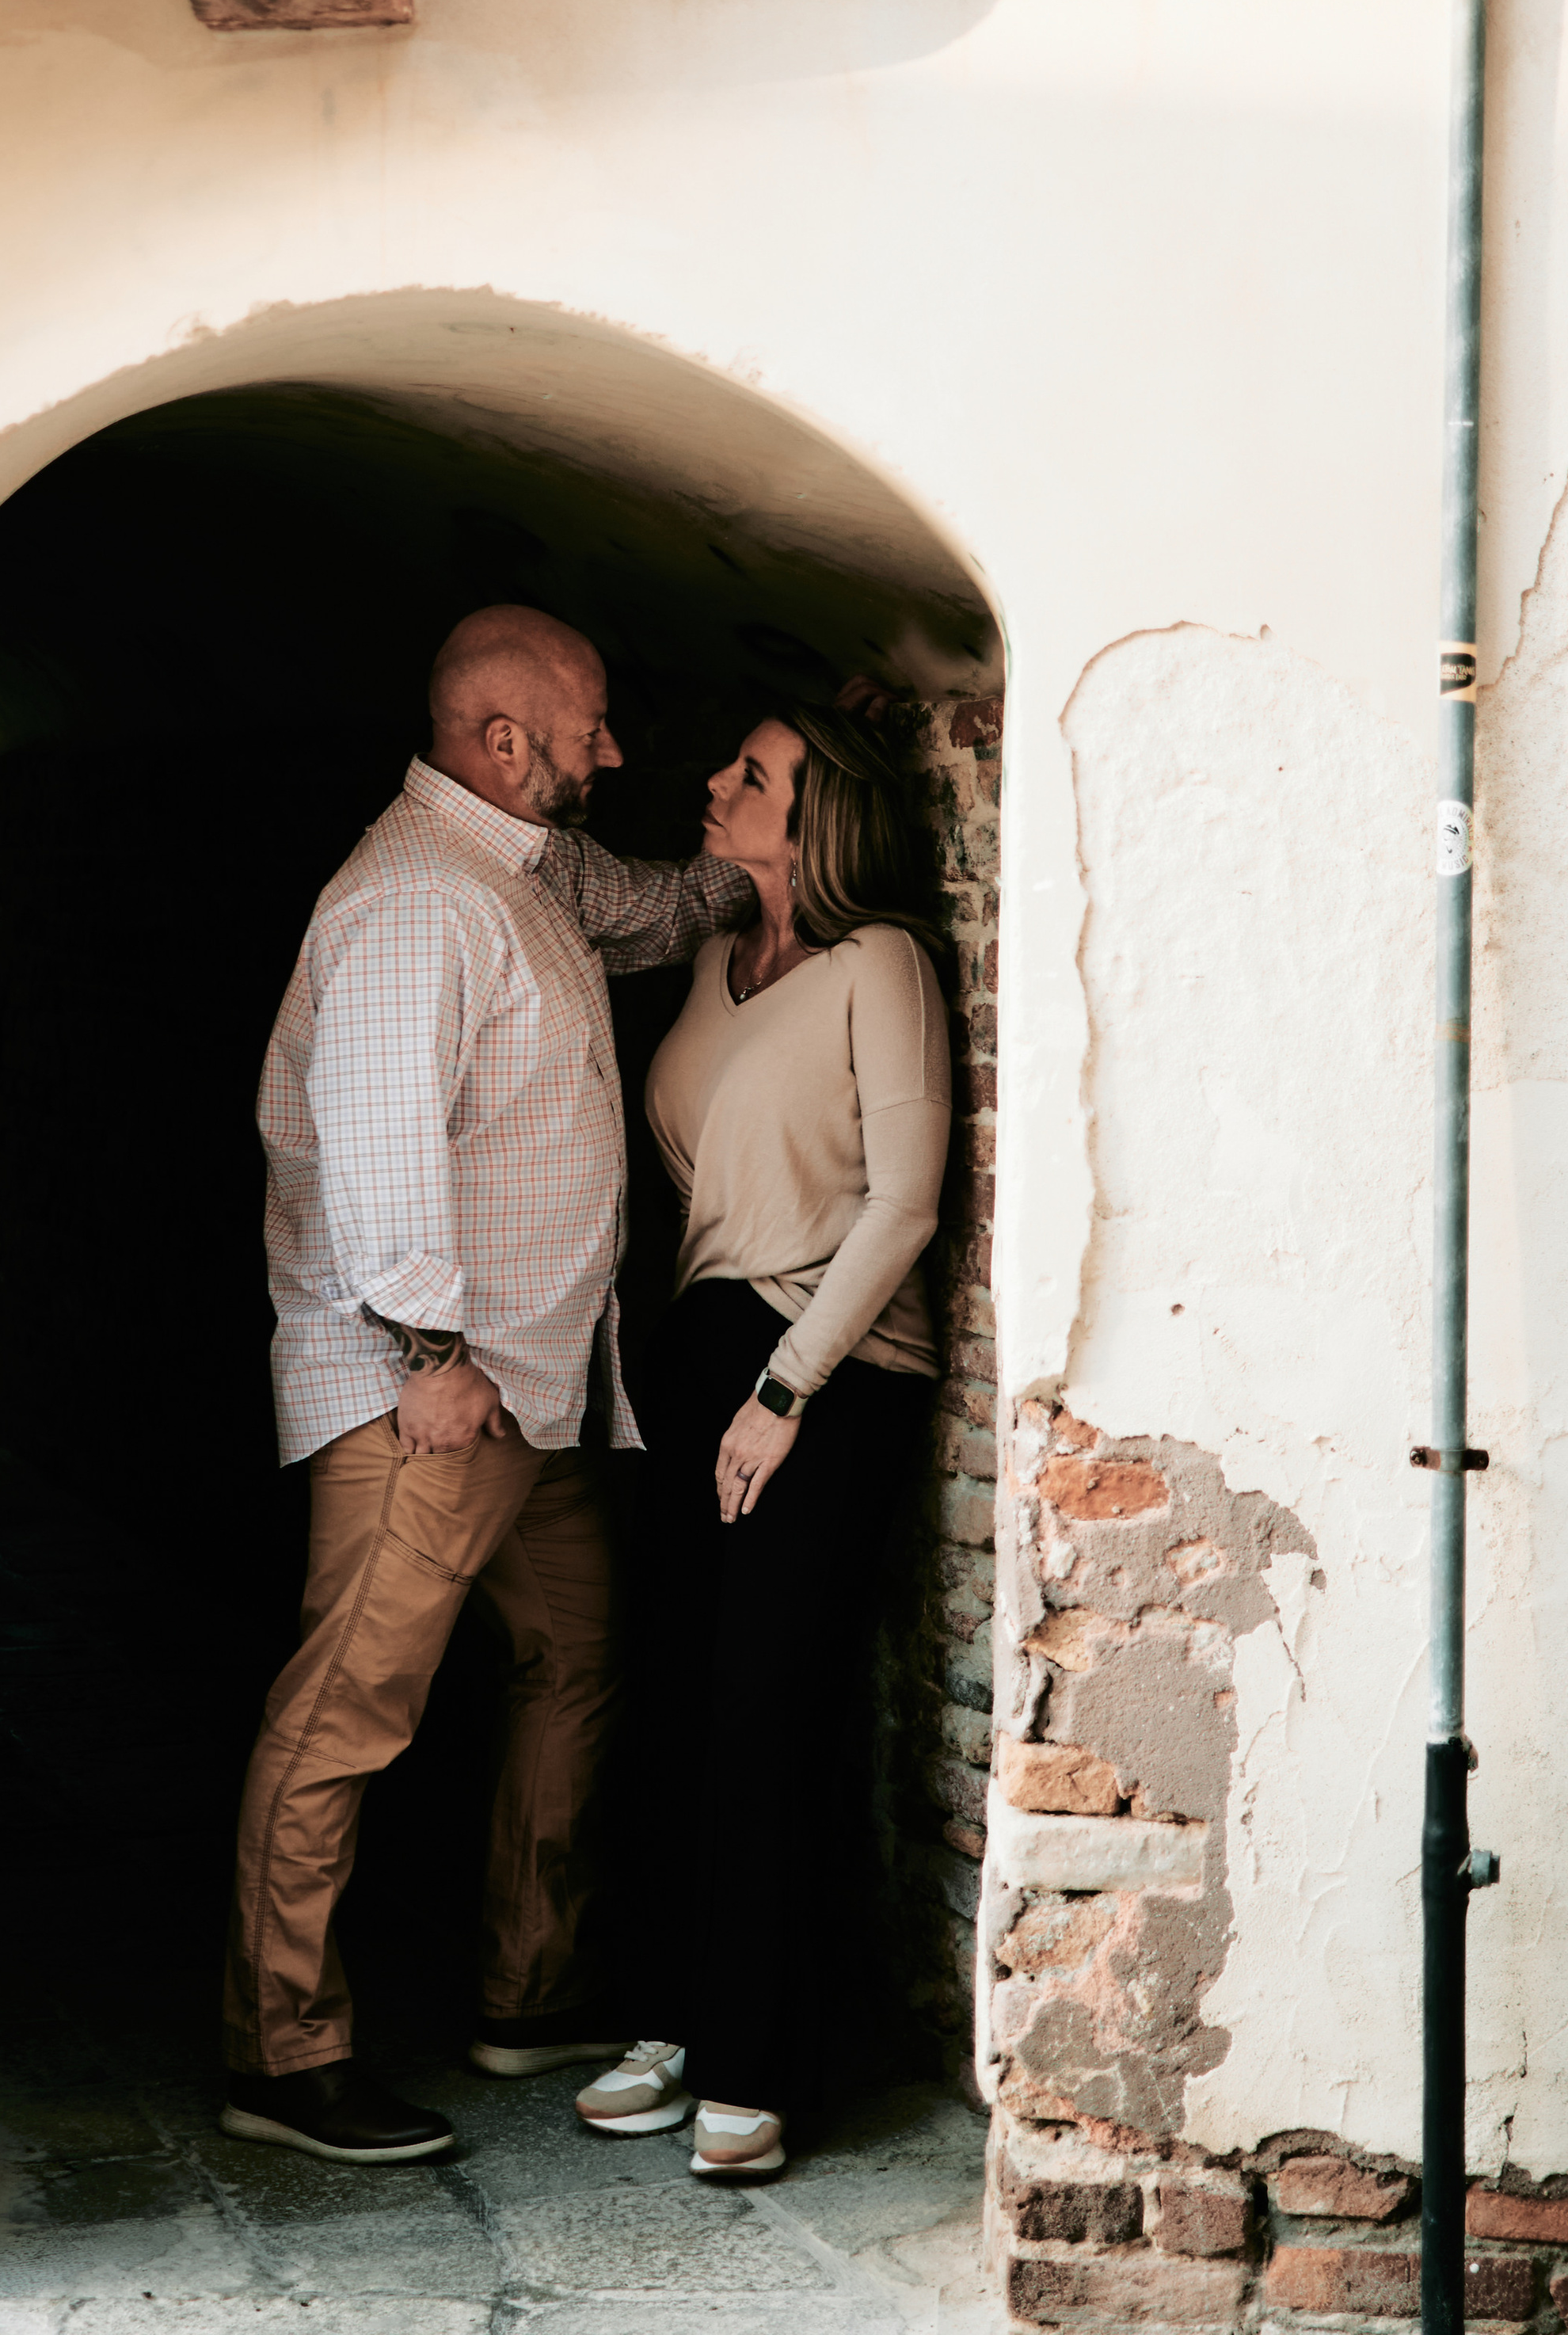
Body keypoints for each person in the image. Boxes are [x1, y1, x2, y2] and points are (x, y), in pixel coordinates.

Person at [219, 604, 751, 2165]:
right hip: (434, 1393)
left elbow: (658, 914)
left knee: (574, 1665)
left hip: (541, 1387)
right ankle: (281, 2052)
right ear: (498, 739)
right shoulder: (412, 903)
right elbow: (377, 1148)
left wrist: (772, 869)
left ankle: (531, 1992)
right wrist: (431, 1360)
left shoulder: (526, 871)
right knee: (343, 1715)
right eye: (585, 725)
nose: (612, 751)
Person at [577, 699, 951, 2180]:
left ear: (819, 823)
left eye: (753, 775)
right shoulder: (717, 965)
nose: (717, 782)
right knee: (669, 1689)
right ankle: (672, 2017)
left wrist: (785, 1392)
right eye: (729, 760)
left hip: (832, 1367)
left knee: (765, 1704)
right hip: (702, 1344)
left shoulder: (884, 964)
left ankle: (759, 2056)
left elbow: (905, 1203)